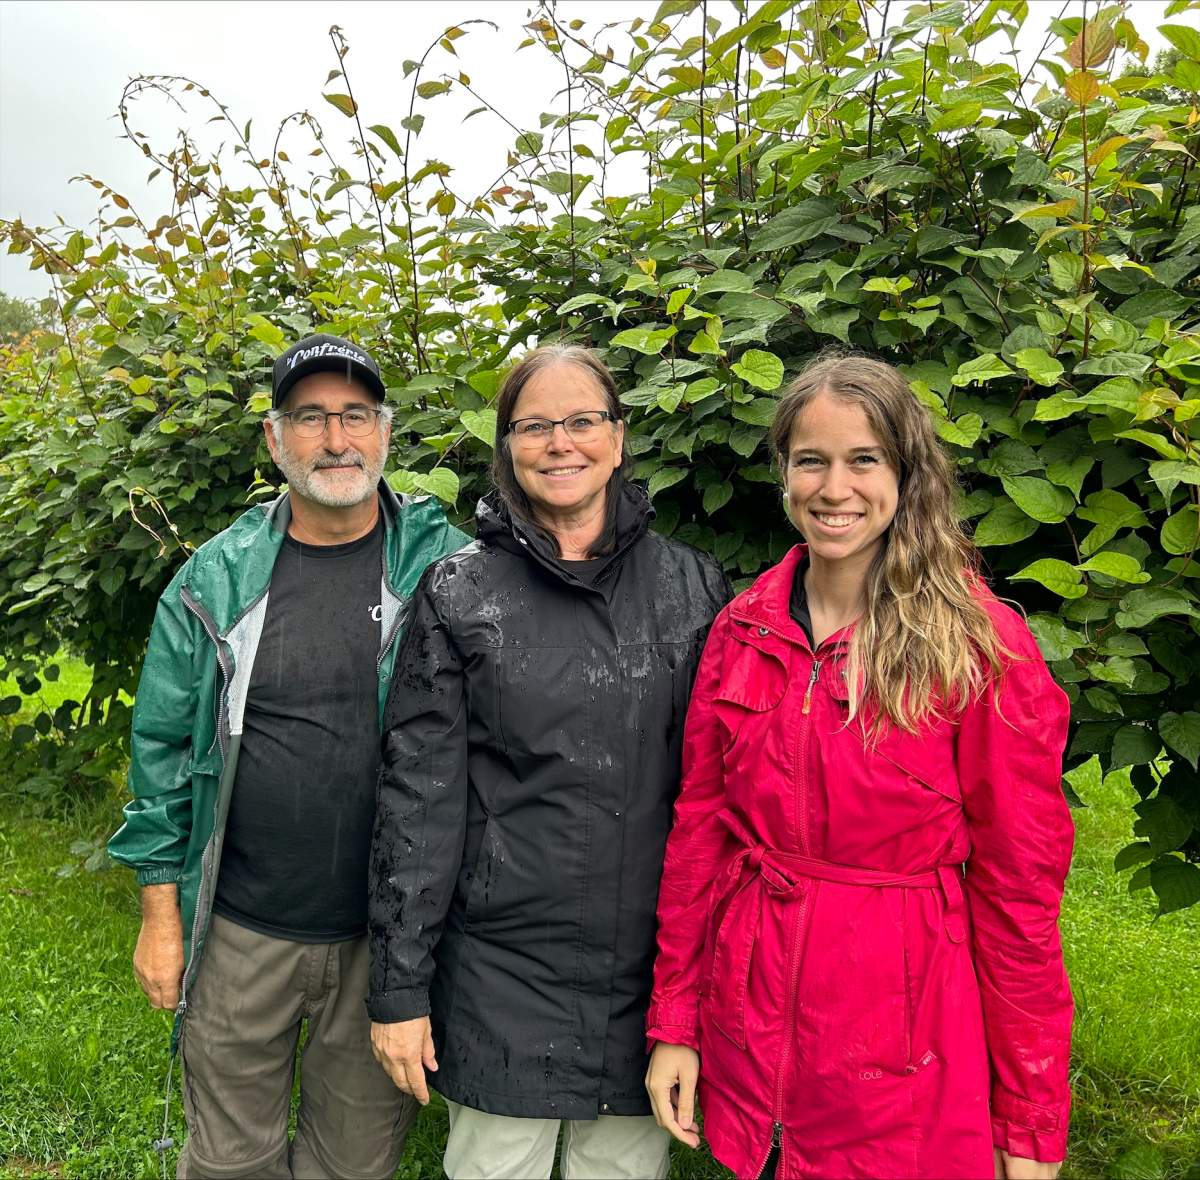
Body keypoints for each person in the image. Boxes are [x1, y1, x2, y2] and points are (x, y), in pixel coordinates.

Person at [645, 353, 1074, 1180]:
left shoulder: (979, 648)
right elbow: (699, 832)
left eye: (863, 460)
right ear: (783, 472)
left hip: (902, 1037)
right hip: (753, 1018)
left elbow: (1020, 894)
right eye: (812, 460)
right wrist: (677, 1023)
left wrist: (1027, 1123)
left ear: (906, 473)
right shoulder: (743, 629)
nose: (834, 488)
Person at [108, 333, 468, 1179]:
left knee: (353, 1162)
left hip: (385, 946)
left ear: (385, 432)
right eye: (310, 418)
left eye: (354, 416)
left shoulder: (446, 571)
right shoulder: (214, 580)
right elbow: (159, 753)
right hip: (240, 931)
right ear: (275, 439)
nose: (335, 440)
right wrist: (162, 920)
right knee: (231, 1160)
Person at [366, 344, 731, 1180]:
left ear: (618, 436)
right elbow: (417, 803)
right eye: (535, 426)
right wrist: (399, 990)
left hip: (646, 976)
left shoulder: (691, 589)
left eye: (581, 421)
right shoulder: (459, 592)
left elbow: (715, 799)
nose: (560, 443)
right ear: (506, 446)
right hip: (497, 972)